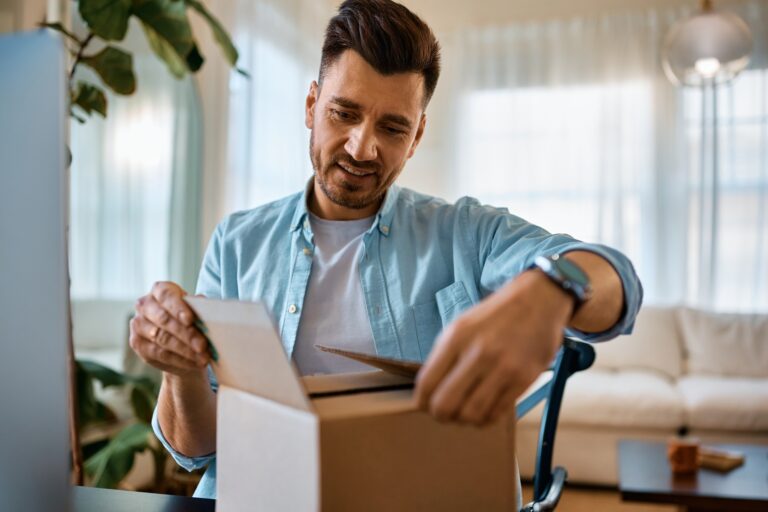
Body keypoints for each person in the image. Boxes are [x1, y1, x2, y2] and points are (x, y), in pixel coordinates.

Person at [129, 0, 642, 500]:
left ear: (417, 135)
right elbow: (193, 449)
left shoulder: (464, 232)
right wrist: (181, 368)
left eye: (392, 127)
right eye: (343, 113)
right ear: (312, 105)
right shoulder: (237, 243)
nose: (361, 147)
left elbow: (617, 282)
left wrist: (549, 288)